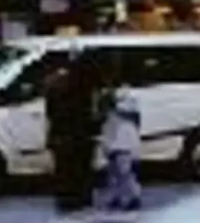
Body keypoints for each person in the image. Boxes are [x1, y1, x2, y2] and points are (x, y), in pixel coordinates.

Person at [45, 51, 98, 212]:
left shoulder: (55, 84)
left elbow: (50, 111)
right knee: (82, 167)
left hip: (62, 133)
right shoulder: (86, 84)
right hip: (81, 132)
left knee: (64, 169)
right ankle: (82, 198)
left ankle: (66, 200)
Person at [98, 65, 142, 211]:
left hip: (124, 138)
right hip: (112, 136)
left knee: (125, 170)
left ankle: (133, 197)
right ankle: (116, 197)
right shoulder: (107, 96)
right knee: (113, 171)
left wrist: (112, 104)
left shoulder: (129, 95)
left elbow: (131, 113)